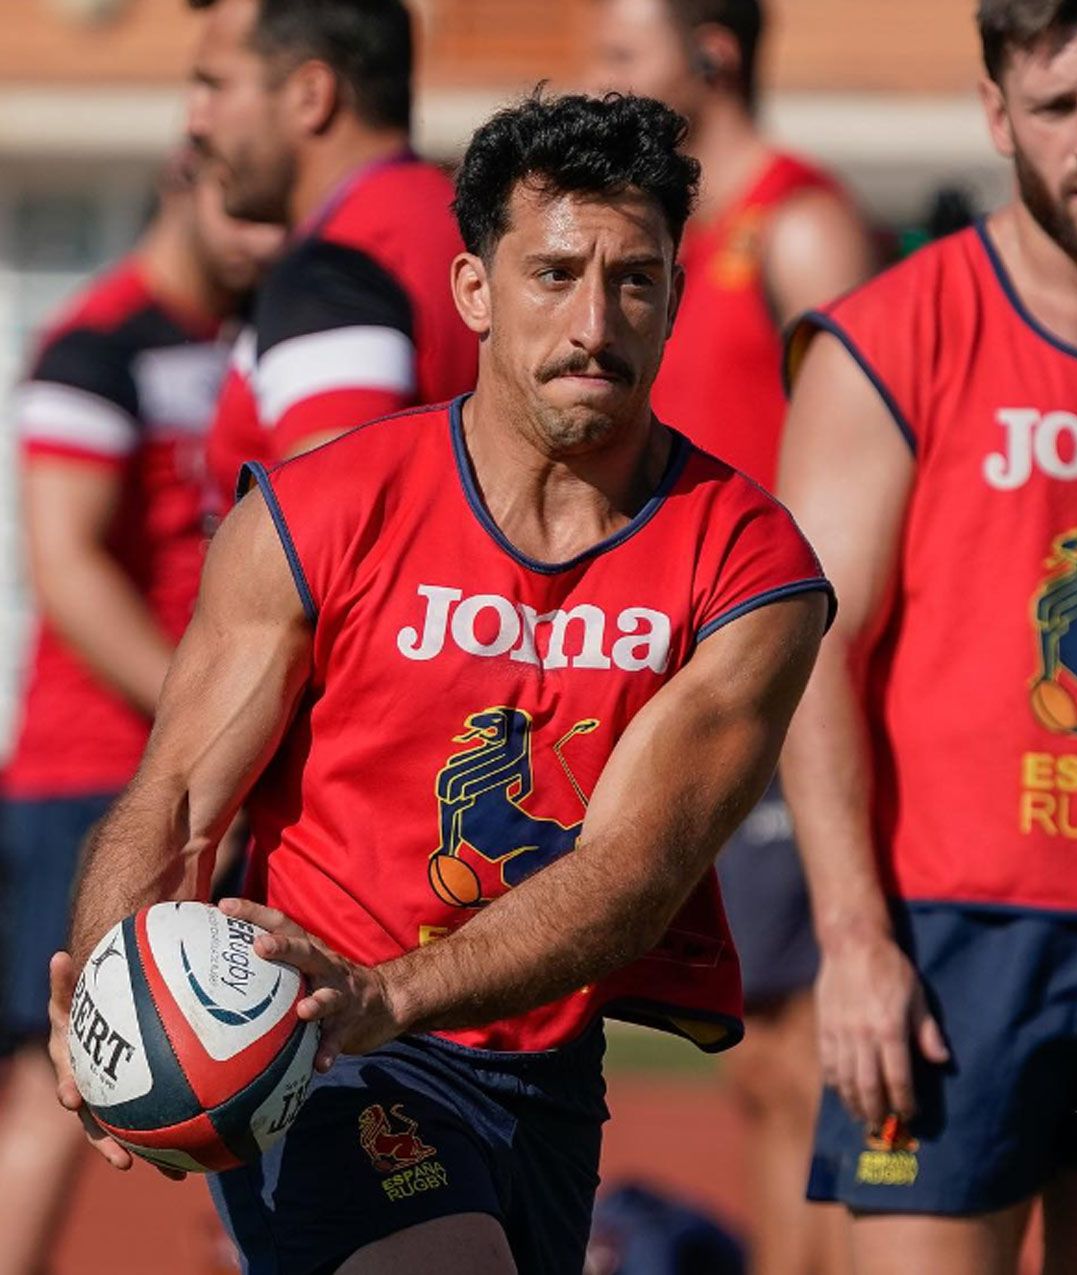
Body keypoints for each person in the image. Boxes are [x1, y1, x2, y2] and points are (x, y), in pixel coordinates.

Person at [48, 91, 833, 1275]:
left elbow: (629, 876)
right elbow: (174, 804)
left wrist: (397, 990)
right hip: (318, 1045)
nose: (594, 320)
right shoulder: (314, 514)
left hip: (539, 1069)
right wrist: (111, 1003)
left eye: (635, 279)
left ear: (673, 294)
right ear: (475, 291)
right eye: (555, 273)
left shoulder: (752, 568)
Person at [778, 2, 1077, 1273]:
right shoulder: (893, 340)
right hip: (953, 935)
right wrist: (853, 942)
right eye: (1058, 108)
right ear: (994, 113)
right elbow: (808, 666)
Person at [589, 7, 873, 1271]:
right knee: (752, 1058)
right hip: (687, 681)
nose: (604, 78)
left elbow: (872, 469)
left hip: (784, 678)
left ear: (711, 50)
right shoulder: (663, 241)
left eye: (623, 49)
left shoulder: (803, 224)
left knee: (814, 1057)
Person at [0, 158, 281, 1275]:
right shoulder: (93, 343)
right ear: (180, 184)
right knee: (61, 1077)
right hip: (97, 776)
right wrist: (209, 706)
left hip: (222, 768)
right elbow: (65, 566)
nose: (267, 237)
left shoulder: (256, 337)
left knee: (246, 1076)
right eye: (245, 208)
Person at [187, 0, 478, 511]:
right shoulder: (462, 224)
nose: (197, 121)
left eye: (217, 85)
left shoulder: (334, 270)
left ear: (310, 96)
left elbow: (338, 534)